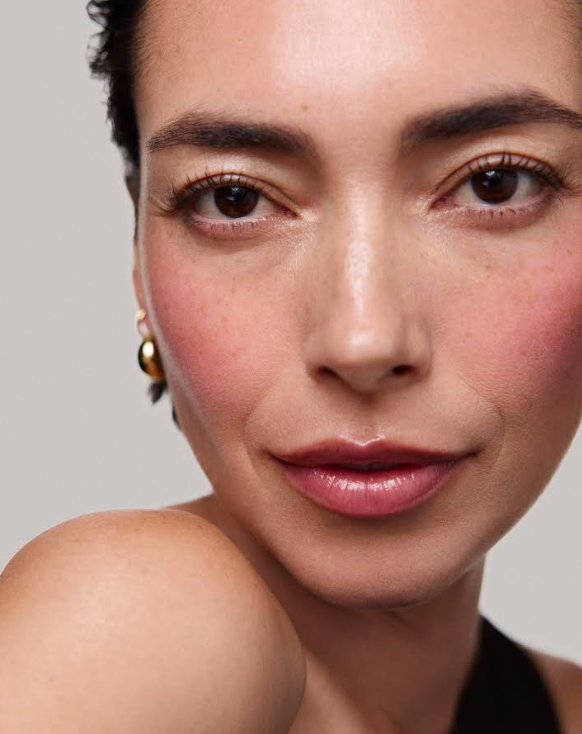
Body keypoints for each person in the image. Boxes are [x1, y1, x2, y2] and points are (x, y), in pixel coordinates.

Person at [1, 0, 582, 731]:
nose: (363, 342)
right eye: (234, 199)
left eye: (495, 183)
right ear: (139, 262)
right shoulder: (135, 616)